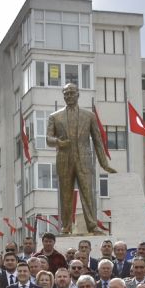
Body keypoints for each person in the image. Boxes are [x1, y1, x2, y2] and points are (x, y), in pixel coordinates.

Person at [46, 83, 116, 234]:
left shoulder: (89, 116)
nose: (69, 96)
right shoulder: (55, 117)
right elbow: (48, 138)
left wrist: (104, 163)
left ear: (78, 94)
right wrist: (58, 142)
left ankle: (92, 225)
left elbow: (97, 140)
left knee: (87, 193)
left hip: (84, 160)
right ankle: (66, 226)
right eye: (66, 94)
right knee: (66, 196)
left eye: (72, 93)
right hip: (64, 160)